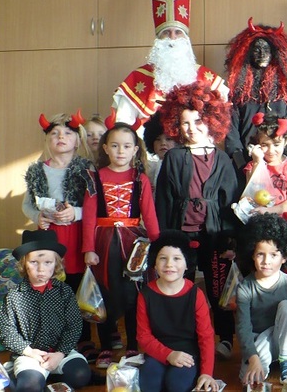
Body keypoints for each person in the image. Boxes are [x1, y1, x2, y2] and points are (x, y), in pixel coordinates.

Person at [156, 82, 241, 361]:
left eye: (197, 121)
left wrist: (230, 241)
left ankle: (225, 338)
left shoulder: (223, 159)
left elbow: (230, 203)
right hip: (180, 236)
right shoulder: (173, 157)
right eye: (185, 123)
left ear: (211, 121)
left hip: (215, 236)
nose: (191, 128)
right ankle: (182, 339)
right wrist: (164, 240)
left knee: (219, 289)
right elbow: (164, 200)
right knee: (180, 288)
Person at [82, 113, 159, 368]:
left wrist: (156, 246)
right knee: (105, 292)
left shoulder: (140, 178)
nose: (121, 151)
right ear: (105, 148)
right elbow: (89, 216)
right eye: (115, 145)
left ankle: (132, 346)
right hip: (103, 243)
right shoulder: (95, 177)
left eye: (127, 146)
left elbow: (149, 215)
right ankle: (105, 346)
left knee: (132, 293)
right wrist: (88, 249)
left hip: (133, 243)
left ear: (135, 149)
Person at [112, 0, 227, 124]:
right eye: (166, 33)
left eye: (178, 33)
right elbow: (123, 126)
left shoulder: (208, 79)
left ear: (186, 40)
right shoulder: (137, 79)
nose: (172, 38)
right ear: (157, 40)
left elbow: (222, 124)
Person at [22, 111, 96, 357]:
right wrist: (38, 217)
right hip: (49, 237)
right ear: (47, 139)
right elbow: (27, 205)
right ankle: (52, 338)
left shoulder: (86, 169)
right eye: (54, 133)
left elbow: (96, 206)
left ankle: (83, 339)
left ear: (78, 140)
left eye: (67, 133)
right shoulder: (37, 171)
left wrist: (76, 212)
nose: (61, 137)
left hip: (77, 235)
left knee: (76, 285)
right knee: (51, 285)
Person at [0, 229, 91, 391]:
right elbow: (5, 330)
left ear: (56, 264)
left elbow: (74, 325)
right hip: (30, 354)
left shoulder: (64, 292)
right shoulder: (14, 296)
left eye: (48, 262)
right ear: (24, 264)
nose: (41, 269)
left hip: (60, 352)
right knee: (29, 386)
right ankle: (25, 376)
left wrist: (60, 353)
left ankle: (49, 376)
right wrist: (29, 352)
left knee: (81, 375)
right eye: (34, 262)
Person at [235, 213, 287, 385]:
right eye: (260, 254)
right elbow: (243, 327)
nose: (266, 261)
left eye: (273, 255)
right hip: (261, 340)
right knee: (248, 380)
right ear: (252, 255)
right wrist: (253, 358)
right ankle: (268, 361)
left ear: (284, 257)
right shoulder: (245, 288)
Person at [137, 231, 219, 392]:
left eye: (176, 258)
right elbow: (143, 336)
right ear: (154, 263)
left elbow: (206, 336)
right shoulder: (145, 294)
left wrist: (207, 373)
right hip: (157, 352)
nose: (169, 264)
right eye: (163, 258)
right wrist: (168, 354)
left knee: (177, 385)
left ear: (187, 264)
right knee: (149, 383)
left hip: (188, 355)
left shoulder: (196, 294)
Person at [224, 18, 287, 169]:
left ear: (276, 54)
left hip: (281, 163)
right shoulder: (238, 92)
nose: (262, 54)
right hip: (247, 163)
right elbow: (231, 131)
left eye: (267, 50)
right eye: (257, 49)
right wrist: (240, 163)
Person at [244, 113, 287, 215]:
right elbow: (250, 191)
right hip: (257, 217)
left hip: (281, 219)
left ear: (286, 141)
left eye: (276, 144)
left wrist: (268, 211)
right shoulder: (252, 165)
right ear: (258, 143)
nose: (271, 151)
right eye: (265, 145)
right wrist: (257, 162)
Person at [143, 111, 177, 196]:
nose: (163, 143)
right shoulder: (149, 169)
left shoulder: (181, 166)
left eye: (168, 139)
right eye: (158, 139)